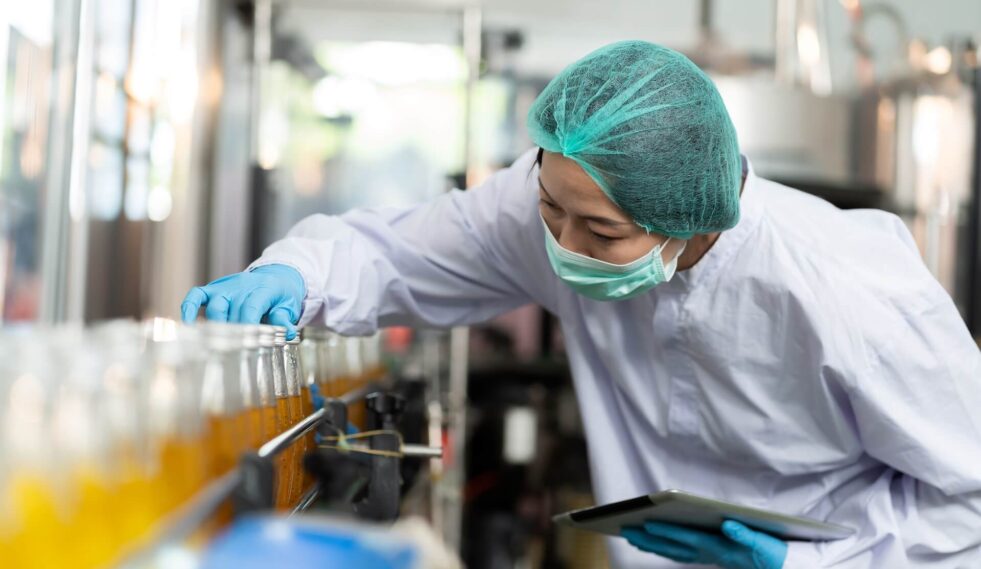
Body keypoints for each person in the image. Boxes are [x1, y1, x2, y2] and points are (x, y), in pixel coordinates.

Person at [181, 41, 981, 568]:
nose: (560, 242)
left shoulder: (848, 288)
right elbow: (397, 250)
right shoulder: (553, 205)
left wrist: (807, 563)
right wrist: (295, 274)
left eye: (599, 230)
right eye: (548, 205)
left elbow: (971, 498)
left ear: (691, 219)